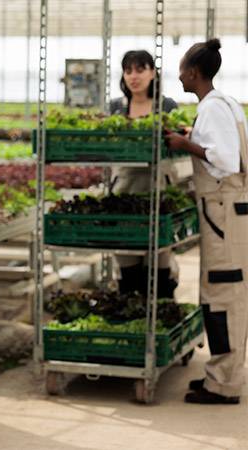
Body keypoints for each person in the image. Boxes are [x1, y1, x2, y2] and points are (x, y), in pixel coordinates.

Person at [166, 38, 248, 405]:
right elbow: (222, 148)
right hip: (228, 211)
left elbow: (226, 161)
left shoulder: (213, 107)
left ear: (194, 72)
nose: (179, 75)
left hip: (223, 211)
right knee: (222, 295)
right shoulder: (224, 102)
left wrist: (185, 146)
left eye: (182, 69)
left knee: (224, 294)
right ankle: (220, 373)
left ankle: (224, 384)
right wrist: (192, 137)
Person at [108, 50, 180, 299]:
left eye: (140, 69)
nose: (133, 76)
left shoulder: (167, 106)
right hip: (124, 196)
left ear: (152, 73)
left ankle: (159, 327)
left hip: (158, 196)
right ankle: (133, 326)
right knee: (129, 278)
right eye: (128, 71)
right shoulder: (116, 108)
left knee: (160, 277)